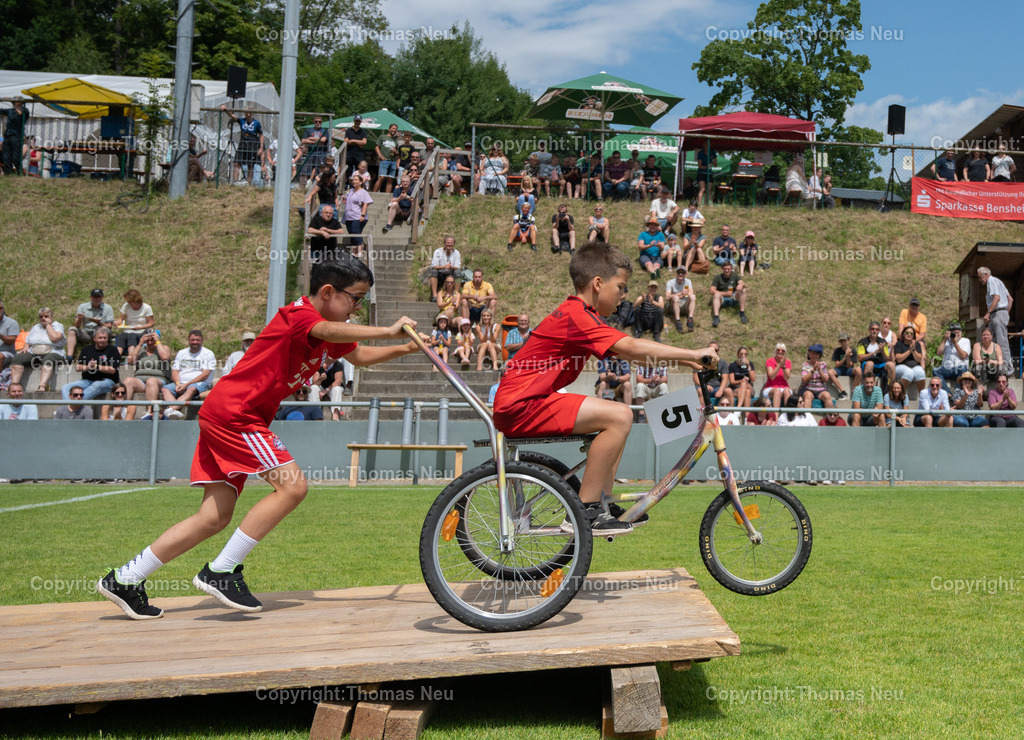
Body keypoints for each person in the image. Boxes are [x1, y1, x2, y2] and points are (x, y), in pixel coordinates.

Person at [98, 259, 422, 619]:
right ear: (328, 292)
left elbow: (358, 355)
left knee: (212, 517)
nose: (357, 308)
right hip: (237, 415)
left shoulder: (326, 330)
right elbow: (330, 331)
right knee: (293, 487)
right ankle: (222, 570)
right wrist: (390, 331)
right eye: (355, 299)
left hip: (225, 414)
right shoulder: (299, 315)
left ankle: (125, 579)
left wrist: (404, 349)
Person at [493, 241, 717, 535]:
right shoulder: (577, 316)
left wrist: (684, 361)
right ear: (598, 284)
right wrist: (691, 354)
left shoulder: (581, 315)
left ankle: (602, 502)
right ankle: (586, 509)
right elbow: (632, 346)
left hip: (527, 402)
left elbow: (628, 353)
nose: (624, 296)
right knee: (620, 415)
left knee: (618, 418)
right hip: (521, 405)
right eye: (621, 287)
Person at [161, 330, 217, 420]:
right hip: (181, 383)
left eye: (197, 340)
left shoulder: (208, 354)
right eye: (192, 340)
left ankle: (170, 409)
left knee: (191, 389)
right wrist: (178, 383)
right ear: (188, 340)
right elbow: (175, 371)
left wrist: (186, 385)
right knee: (165, 389)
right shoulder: (182, 353)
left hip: (200, 383)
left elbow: (205, 375)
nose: (195, 342)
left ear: (201, 341)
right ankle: (174, 411)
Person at [9, 307, 65, 393]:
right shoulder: (36, 327)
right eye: (41, 316)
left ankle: (42, 386)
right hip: (34, 351)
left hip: (53, 351)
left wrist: (48, 326)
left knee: (48, 360)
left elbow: (55, 339)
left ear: (51, 317)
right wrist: (25, 348)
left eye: (46, 316)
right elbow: (28, 341)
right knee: (18, 359)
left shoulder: (58, 326)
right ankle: (14, 386)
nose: (43, 318)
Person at [62, 326, 120, 401]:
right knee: (65, 387)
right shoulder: (87, 350)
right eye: (100, 338)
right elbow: (78, 367)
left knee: (96, 385)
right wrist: (88, 367)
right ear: (94, 338)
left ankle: (74, 404)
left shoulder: (113, 350)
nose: (102, 340)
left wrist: (96, 367)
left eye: (104, 338)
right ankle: (70, 407)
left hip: (107, 382)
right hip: (87, 381)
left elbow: (112, 370)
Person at [125, 330, 171, 420]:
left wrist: (158, 342)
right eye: (148, 340)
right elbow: (130, 361)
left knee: (151, 381)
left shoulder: (164, 348)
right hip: (140, 380)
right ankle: (124, 409)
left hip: (159, 380)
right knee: (128, 381)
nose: (150, 343)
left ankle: (149, 412)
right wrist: (140, 344)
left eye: (152, 340)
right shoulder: (141, 349)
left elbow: (165, 357)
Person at [977, 266, 1013, 376]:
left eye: (980, 277)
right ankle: (989, 367)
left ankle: (1007, 370)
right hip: (999, 313)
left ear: (986, 275)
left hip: (997, 313)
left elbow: (996, 298)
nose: (979, 280)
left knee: (1002, 343)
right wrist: (1006, 313)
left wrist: (989, 312)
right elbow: (1010, 299)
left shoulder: (991, 281)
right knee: (988, 340)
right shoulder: (999, 281)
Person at [66, 288, 115, 362]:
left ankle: (103, 355)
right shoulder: (82, 307)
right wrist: (80, 319)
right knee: (72, 330)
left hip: (100, 331)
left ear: (102, 297)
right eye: (95, 297)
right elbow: (76, 325)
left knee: (106, 330)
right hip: (87, 333)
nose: (97, 299)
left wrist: (99, 323)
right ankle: (69, 356)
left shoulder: (108, 308)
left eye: (99, 297)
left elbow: (109, 326)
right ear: (91, 298)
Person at [221, 105, 263, 185]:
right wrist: (226, 110)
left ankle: (248, 184)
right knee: (236, 163)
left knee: (250, 166)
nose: (248, 114)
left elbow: (261, 135)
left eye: (250, 113)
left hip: (252, 146)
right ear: (244, 113)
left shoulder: (257, 123)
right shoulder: (242, 121)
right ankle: (235, 182)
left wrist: (260, 148)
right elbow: (233, 116)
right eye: (247, 113)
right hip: (242, 145)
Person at [798, 344, 841, 409]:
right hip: (807, 388)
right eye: (812, 353)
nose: (814, 356)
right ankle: (807, 417)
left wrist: (819, 370)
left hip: (820, 389)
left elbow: (826, 380)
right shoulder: (805, 364)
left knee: (827, 395)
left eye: (816, 354)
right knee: (808, 395)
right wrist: (813, 370)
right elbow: (804, 379)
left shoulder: (823, 364)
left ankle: (831, 415)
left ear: (819, 355)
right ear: (809, 354)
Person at [115, 289, 155, 357]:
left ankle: (132, 357)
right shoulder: (126, 306)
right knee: (122, 336)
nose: (129, 303)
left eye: (131, 302)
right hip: (128, 329)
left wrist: (140, 327)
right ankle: (116, 357)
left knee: (131, 336)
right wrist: (118, 322)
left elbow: (151, 323)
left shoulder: (146, 308)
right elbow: (121, 318)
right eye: (128, 302)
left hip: (141, 331)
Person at [341, 174, 372, 259]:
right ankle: (354, 252)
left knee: (356, 233)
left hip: (357, 216)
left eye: (356, 180)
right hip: (348, 217)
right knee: (351, 234)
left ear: (361, 182)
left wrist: (362, 215)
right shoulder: (350, 191)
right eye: (353, 180)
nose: (354, 181)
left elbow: (366, 203)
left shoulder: (363, 192)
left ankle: (360, 251)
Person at [856, 321, 895, 389]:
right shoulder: (863, 342)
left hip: (880, 365)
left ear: (879, 331)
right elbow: (860, 358)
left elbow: (887, 359)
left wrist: (882, 351)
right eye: (873, 329)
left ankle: (891, 388)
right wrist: (873, 353)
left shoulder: (883, 342)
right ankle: (867, 388)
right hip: (867, 364)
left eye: (877, 329)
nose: (874, 331)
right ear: (869, 330)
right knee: (870, 363)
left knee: (891, 365)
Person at [710, 261, 748, 327]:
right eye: (725, 269)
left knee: (743, 290)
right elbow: (711, 290)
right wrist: (724, 293)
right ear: (722, 269)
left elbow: (743, 283)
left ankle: (742, 313)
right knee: (716, 294)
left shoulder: (735, 276)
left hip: (733, 297)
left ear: (731, 269)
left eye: (728, 269)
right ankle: (716, 317)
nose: (727, 271)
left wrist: (741, 285)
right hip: (722, 299)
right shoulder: (718, 277)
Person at [935, 322, 970, 392]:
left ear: (961, 332)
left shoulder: (965, 341)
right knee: (935, 370)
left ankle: (957, 392)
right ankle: (948, 392)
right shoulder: (947, 341)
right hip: (947, 368)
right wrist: (944, 339)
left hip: (959, 368)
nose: (955, 334)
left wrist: (955, 343)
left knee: (963, 368)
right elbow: (938, 353)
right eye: (953, 332)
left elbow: (963, 356)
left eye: (957, 332)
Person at [893, 325, 927, 394]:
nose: (909, 335)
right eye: (907, 333)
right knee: (909, 372)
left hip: (914, 366)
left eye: (911, 333)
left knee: (921, 372)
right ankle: (901, 395)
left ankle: (922, 396)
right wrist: (909, 350)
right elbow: (899, 359)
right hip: (900, 366)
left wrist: (913, 349)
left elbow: (918, 359)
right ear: (903, 334)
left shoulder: (917, 344)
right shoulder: (899, 344)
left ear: (913, 335)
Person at [1, 98, 29, 175]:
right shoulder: (10, 111)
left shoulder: (25, 110)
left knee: (16, 157)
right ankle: (8, 173)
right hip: (7, 135)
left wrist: (13, 103)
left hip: (17, 136)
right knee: (6, 156)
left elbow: (20, 113)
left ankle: (19, 172)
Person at [429, 236, 462, 301]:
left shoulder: (456, 252)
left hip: (451, 273)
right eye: (448, 242)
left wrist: (451, 267)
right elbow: (434, 266)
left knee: (458, 273)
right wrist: (443, 266)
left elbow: (457, 266)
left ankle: (455, 294)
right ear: (444, 243)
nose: (449, 244)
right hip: (441, 273)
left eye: (451, 243)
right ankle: (435, 296)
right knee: (434, 271)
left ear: (454, 244)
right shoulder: (438, 251)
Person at [300, 116, 330, 185]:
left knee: (320, 170)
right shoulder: (308, 130)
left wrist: (310, 138)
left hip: (321, 153)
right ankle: (308, 184)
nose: (318, 123)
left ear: (322, 122)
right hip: (311, 153)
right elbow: (303, 140)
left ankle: (318, 184)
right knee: (308, 169)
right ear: (313, 122)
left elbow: (323, 140)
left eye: (319, 121)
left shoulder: (324, 130)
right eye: (316, 121)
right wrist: (316, 141)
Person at [665, 265, 695, 333]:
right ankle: (678, 321)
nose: (680, 274)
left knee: (693, 297)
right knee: (675, 298)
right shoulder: (670, 282)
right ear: (676, 273)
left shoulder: (687, 282)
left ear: (686, 274)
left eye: (683, 272)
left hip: (685, 305)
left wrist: (684, 295)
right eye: (679, 272)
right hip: (673, 306)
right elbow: (667, 297)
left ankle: (690, 319)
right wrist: (680, 294)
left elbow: (690, 293)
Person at [762, 343, 792, 408]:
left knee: (787, 391)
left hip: (784, 387)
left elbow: (786, 378)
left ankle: (788, 414)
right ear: (775, 351)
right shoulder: (769, 361)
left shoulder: (788, 362)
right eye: (778, 350)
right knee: (777, 391)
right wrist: (779, 365)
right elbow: (771, 377)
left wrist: (783, 366)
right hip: (771, 387)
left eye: (783, 350)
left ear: (785, 352)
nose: (780, 352)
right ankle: (775, 415)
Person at [726, 346, 756, 410]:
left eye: (745, 354)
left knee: (744, 384)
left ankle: (738, 408)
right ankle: (746, 417)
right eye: (741, 354)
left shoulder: (750, 364)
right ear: (738, 354)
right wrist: (741, 380)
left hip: (749, 386)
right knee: (746, 392)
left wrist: (748, 366)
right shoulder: (732, 366)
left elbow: (753, 379)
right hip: (736, 388)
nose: (743, 356)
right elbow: (732, 381)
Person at [374, 123, 400, 193]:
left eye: (395, 129)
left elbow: (398, 153)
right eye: (393, 128)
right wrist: (380, 156)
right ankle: (374, 193)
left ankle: (387, 195)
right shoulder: (382, 137)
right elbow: (377, 147)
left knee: (390, 179)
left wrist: (395, 151)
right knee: (381, 177)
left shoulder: (395, 140)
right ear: (389, 129)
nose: (394, 130)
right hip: (384, 160)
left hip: (393, 161)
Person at [341, 115, 367, 183]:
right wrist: (359, 142)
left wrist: (352, 140)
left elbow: (364, 142)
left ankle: (358, 185)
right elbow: (346, 141)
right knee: (348, 171)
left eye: (358, 121)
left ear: (361, 122)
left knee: (359, 170)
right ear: (354, 121)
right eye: (356, 121)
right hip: (349, 153)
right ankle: (348, 185)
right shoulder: (349, 130)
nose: (357, 122)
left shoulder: (363, 131)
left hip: (359, 154)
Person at [0, 299, 21, 375]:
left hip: (7, 352)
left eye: (0, 308)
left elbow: (11, 341)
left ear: (3, 309)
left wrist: (1, 336)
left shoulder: (12, 323)